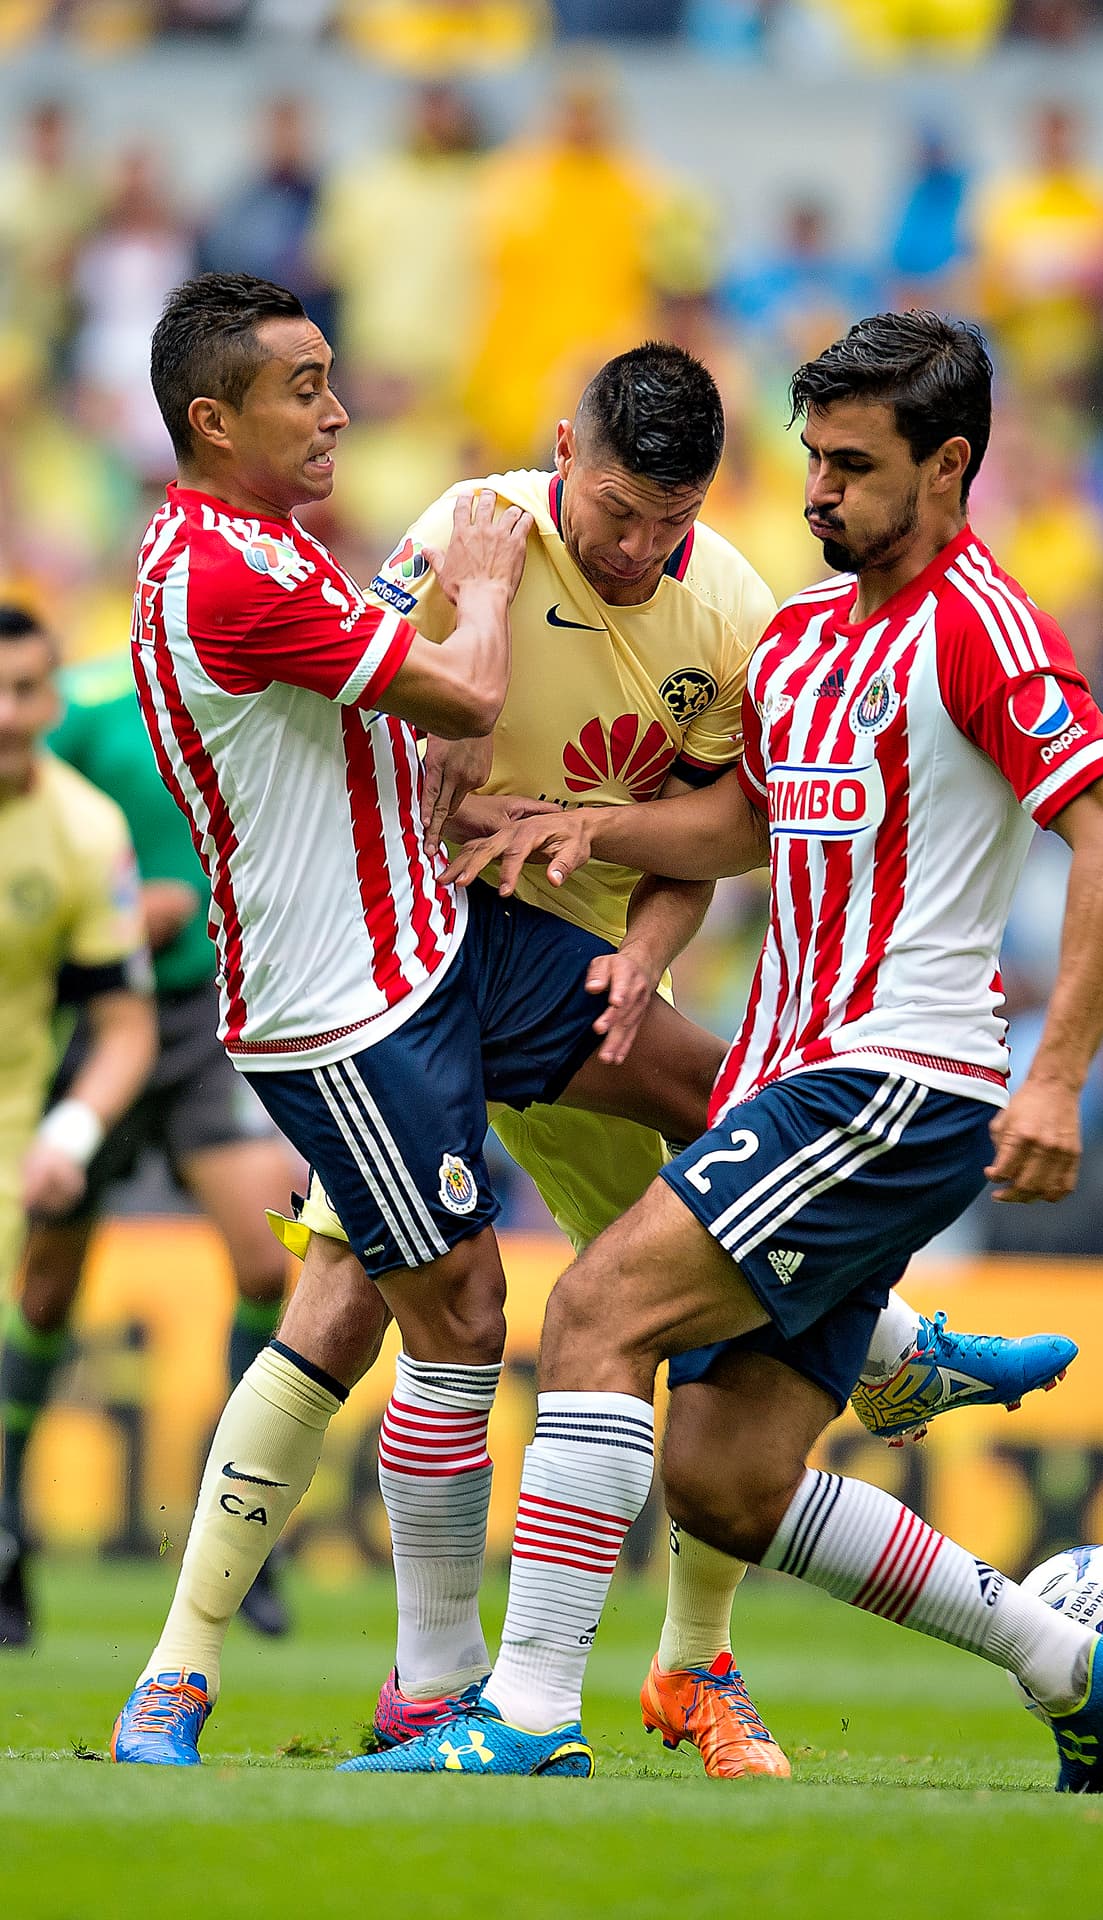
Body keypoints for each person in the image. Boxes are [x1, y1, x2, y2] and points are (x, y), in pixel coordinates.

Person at [124, 335, 1077, 1774]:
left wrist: (640, 947)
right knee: (357, 1302)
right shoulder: (472, 532)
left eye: (667, 522)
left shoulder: (733, 609)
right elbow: (383, 738)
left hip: (583, 971)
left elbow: (726, 830)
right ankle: (191, 1669)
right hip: (418, 953)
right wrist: (470, 764)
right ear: (565, 455)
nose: (637, 550)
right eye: (617, 513)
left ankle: (700, 1647)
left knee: (723, 1147)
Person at [354, 312, 1103, 1792]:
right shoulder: (802, 635)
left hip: (890, 1080)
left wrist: (1058, 1075)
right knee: (722, 1481)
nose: (819, 491)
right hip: (795, 1078)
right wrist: (585, 826)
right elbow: (746, 821)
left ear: (949, 466)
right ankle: (1071, 1663)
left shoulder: (979, 631)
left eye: (853, 466)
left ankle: (524, 1714)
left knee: (595, 1314)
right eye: (813, 459)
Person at [104, 272, 733, 1766]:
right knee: (447, 1315)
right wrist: (491, 584)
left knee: (707, 1084)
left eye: (332, 380)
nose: (337, 413)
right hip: (350, 1003)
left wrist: (486, 807)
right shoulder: (226, 572)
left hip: (445, 934)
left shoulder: (279, 546)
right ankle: (416, 1683)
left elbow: (386, 733)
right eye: (303, 389)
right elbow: (458, 690)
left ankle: (886, 1336)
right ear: (213, 420)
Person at [0, 645, 304, 1644]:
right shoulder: (84, 705)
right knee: (46, 1287)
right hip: (93, 1017)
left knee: (268, 1260)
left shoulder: (261, 696)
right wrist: (121, 911)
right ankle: (7, 1525)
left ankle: (239, 1528)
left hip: (212, 1018)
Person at [0, 605, 157, 1646]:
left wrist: (72, 1133)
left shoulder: (86, 830)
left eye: (28, 691)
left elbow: (124, 1025)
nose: (10, 715)